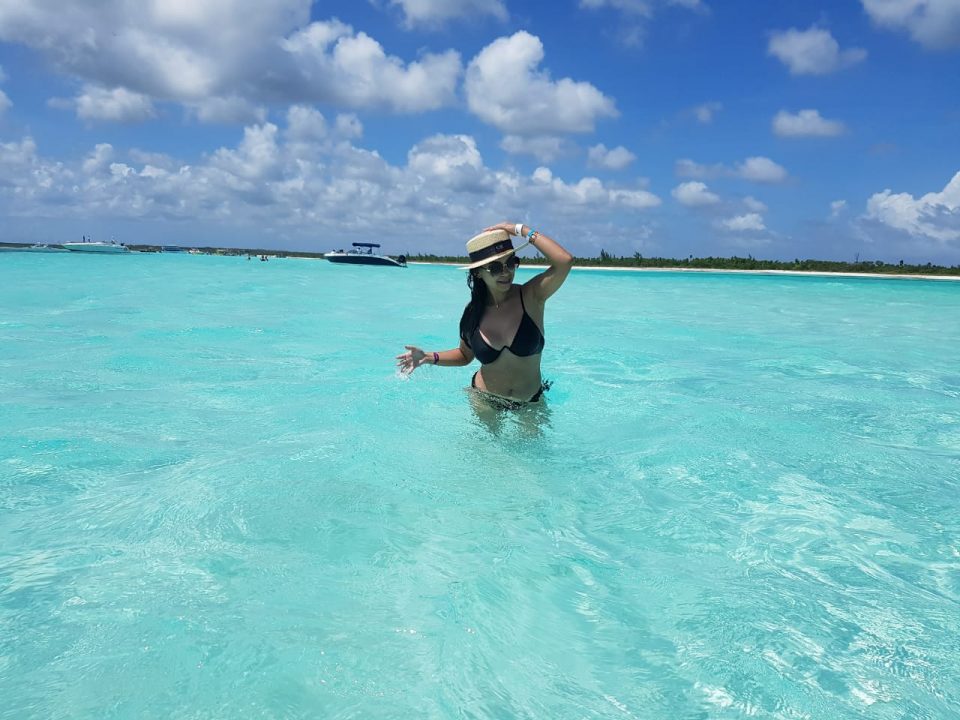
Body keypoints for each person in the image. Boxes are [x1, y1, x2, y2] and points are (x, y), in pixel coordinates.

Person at [397, 222, 573, 408]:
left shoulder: (531, 297)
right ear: (478, 273)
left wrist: (518, 229)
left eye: (511, 263)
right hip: (485, 398)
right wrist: (427, 357)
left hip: (530, 400)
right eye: (496, 268)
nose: (506, 272)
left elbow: (564, 261)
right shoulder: (473, 312)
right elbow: (465, 356)